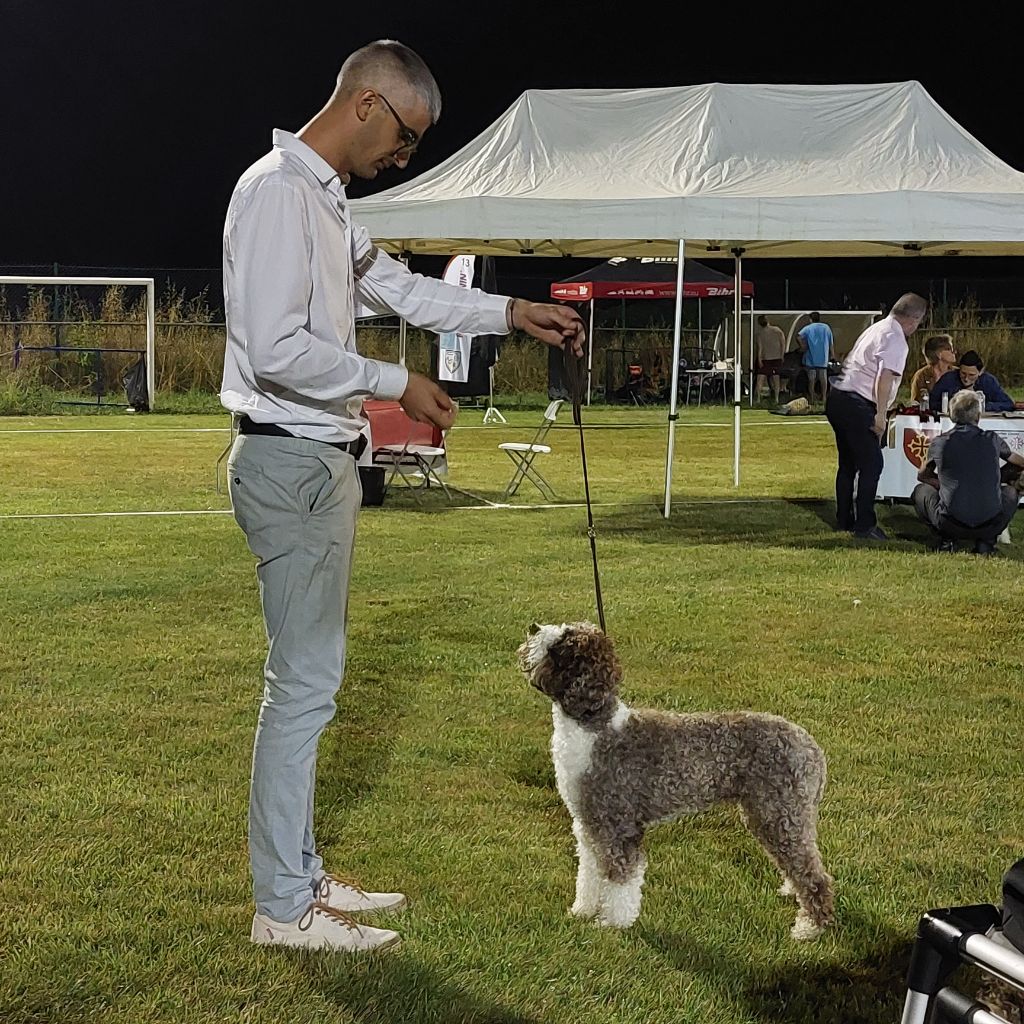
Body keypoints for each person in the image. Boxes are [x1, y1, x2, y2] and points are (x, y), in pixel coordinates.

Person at [221, 40, 585, 954]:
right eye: (409, 136)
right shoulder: (274, 192)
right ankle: (281, 906)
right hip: (290, 461)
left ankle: (300, 876)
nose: (407, 155)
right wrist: (395, 382)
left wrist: (511, 314)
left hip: (322, 461)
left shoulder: (324, 201)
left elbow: (401, 288)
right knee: (300, 690)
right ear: (370, 103)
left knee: (312, 684)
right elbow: (273, 348)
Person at [825, 293, 928, 540]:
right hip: (858, 402)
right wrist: (881, 415)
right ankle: (865, 526)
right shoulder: (896, 339)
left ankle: (844, 519)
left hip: (838, 396)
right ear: (914, 319)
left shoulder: (877, 328)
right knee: (872, 464)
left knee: (848, 463)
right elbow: (885, 378)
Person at [913, 389, 1024, 554]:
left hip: (950, 523)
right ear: (978, 416)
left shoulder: (940, 442)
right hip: (989, 524)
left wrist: (941, 484)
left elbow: (922, 475)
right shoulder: (992, 439)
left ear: (951, 414)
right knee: (1010, 493)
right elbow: (1019, 462)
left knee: (921, 491)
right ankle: (986, 543)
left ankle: (947, 540)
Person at [929, 349, 1015, 414]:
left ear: (980, 372)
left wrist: (983, 406)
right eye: (963, 373)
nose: (966, 379)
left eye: (971, 375)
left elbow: (1008, 404)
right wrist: (952, 405)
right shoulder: (948, 379)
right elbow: (930, 403)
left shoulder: (988, 381)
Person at [797, 312, 835, 405]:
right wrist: (832, 354)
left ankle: (812, 398)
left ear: (811, 319)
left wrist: (802, 346)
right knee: (823, 378)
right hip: (823, 358)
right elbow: (831, 343)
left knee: (811, 379)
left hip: (811, 357)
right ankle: (824, 397)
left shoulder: (808, 328)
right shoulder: (826, 328)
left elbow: (798, 336)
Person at [909, 334, 957, 404]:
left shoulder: (956, 373)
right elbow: (916, 402)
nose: (954, 352)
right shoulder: (922, 375)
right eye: (949, 349)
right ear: (938, 354)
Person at [754, 314, 786, 403]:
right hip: (776, 358)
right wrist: (782, 355)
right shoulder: (778, 330)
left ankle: (758, 399)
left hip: (765, 358)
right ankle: (776, 398)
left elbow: (760, 348)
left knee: (760, 378)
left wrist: (759, 359)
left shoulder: (760, 334)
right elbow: (783, 344)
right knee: (776, 378)